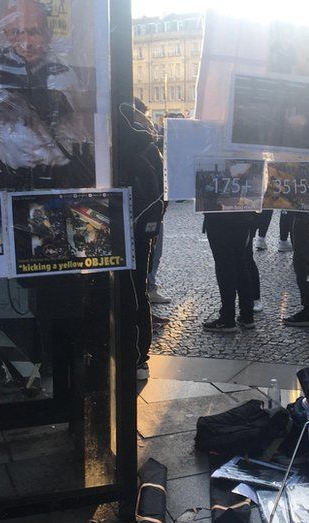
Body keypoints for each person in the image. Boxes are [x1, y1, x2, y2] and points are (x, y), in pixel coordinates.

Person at [0, 0, 93, 190]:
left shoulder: (62, 75)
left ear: (48, 34)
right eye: (15, 33)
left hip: (55, 178)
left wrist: (16, 92)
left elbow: (67, 117)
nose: (25, 42)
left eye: (33, 32)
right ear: (6, 35)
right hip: (12, 176)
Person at [122, 99, 168, 380]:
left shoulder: (135, 146)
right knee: (136, 291)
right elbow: (159, 197)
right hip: (139, 230)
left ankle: (137, 357)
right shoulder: (147, 143)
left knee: (134, 291)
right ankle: (138, 357)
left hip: (133, 229)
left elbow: (155, 196)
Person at [203, 212, 257, 332]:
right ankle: (247, 315)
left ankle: (227, 318)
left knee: (225, 267)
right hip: (243, 217)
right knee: (241, 264)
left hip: (218, 218)